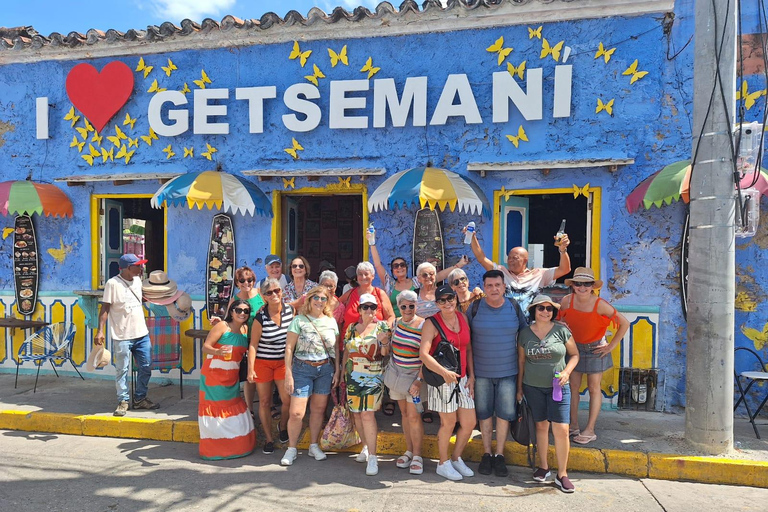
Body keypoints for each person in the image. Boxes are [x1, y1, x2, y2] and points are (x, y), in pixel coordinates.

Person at [557, 267, 629, 445]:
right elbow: (560, 320)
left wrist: (611, 346)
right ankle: (573, 425)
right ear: (573, 285)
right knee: (572, 387)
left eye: (586, 284)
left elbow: (624, 323)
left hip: (596, 348)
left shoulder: (600, 304)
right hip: (573, 347)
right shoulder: (567, 301)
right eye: (578, 283)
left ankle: (590, 429)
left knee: (594, 387)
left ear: (592, 286)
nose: (582, 287)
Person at [467, 269, 528, 477]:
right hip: (482, 373)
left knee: (503, 416)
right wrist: (471, 375)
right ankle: (486, 454)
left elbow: (525, 335)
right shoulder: (474, 308)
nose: (494, 289)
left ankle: (499, 455)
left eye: (498, 285)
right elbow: (467, 344)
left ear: (504, 287)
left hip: (508, 373)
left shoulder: (513, 306)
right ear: (484, 288)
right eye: (489, 286)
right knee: (484, 415)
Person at [517, 295, 580, 493]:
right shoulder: (525, 334)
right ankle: (543, 467)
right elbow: (521, 362)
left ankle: (562, 474)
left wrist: (567, 372)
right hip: (532, 387)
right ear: (534, 311)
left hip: (559, 387)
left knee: (561, 429)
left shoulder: (562, 330)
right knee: (541, 426)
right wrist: (519, 388)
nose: (545, 312)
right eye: (541, 308)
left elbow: (575, 355)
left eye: (549, 309)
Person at [419, 285, 476, 481]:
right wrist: (444, 373)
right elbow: (424, 355)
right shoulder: (432, 323)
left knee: (469, 422)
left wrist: (472, 376)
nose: (447, 303)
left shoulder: (462, 318)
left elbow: (467, 349)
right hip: (442, 379)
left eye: (450, 298)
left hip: (463, 378)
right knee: (448, 423)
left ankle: (456, 457)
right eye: (442, 300)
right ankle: (443, 463)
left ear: (455, 299)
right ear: (437, 304)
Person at [281, 286, 341, 466]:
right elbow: (289, 348)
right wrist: (288, 373)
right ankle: (291, 448)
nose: (320, 301)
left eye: (323, 299)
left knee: (318, 410)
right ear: (309, 299)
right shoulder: (298, 320)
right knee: (297, 412)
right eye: (316, 298)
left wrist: (337, 370)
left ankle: (313, 445)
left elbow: (336, 348)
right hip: (302, 368)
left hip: (324, 369)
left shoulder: (331, 321)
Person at [94, 253, 160, 417]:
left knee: (146, 367)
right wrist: (100, 330)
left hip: (142, 334)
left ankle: (140, 398)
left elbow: (138, 299)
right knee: (122, 370)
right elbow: (105, 309)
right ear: (128, 268)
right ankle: (123, 401)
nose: (141, 268)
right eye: (138, 265)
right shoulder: (112, 284)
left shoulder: (137, 281)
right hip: (122, 335)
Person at [198, 300, 257, 460]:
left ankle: (236, 447)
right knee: (216, 407)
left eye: (246, 311)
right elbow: (205, 347)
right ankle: (215, 450)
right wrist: (218, 352)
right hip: (213, 374)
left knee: (231, 406)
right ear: (231, 311)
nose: (242, 313)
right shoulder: (222, 326)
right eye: (238, 310)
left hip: (231, 375)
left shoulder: (245, 329)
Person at [367, 228, 469, 317]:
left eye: (402, 265)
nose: (399, 267)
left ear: (407, 268)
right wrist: (372, 242)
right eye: (396, 266)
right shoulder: (390, 284)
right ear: (392, 271)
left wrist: (458, 265)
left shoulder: (417, 281)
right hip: (397, 323)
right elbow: (377, 265)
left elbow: (439, 276)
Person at [342, 293, 391, 476]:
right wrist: (341, 373)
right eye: (365, 307)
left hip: (374, 374)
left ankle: (373, 456)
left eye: (372, 307)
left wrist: (384, 341)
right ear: (359, 309)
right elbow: (347, 351)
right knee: (357, 415)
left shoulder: (382, 326)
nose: (369, 310)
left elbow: (386, 353)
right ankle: (365, 446)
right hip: (353, 374)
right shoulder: (351, 328)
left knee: (367, 414)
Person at [467, 227, 571, 310]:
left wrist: (563, 250)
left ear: (525, 261)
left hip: (531, 325)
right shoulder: (501, 272)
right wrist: (472, 237)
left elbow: (564, 269)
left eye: (515, 258)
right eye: (509, 258)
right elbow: (482, 258)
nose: (510, 260)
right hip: (508, 322)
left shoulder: (540, 274)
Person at [247, 278, 294, 454]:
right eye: (269, 292)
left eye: (277, 291)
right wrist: (251, 368)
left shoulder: (290, 310)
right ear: (264, 296)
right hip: (264, 362)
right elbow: (253, 344)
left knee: (287, 399)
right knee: (265, 401)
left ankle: (282, 427)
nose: (274, 294)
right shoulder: (260, 317)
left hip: (283, 362)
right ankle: (268, 438)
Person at [211, 266, 264, 418]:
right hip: (245, 340)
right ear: (237, 283)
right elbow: (229, 319)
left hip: (264, 338)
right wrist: (219, 322)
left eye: (250, 280)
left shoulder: (261, 294)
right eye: (242, 280)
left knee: (264, 373)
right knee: (249, 374)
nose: (246, 283)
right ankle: (249, 408)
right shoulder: (235, 299)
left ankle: (268, 406)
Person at [384, 289, 426, 475]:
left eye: (411, 305)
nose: (408, 309)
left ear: (416, 305)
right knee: (403, 414)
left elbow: (426, 356)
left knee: (413, 416)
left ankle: (417, 455)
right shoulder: (395, 323)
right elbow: (390, 350)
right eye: (404, 306)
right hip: (397, 375)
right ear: (399, 307)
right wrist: (384, 342)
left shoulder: (424, 325)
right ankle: (408, 451)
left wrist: (419, 380)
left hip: (414, 377)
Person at [341, 261, 396, 334]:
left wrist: (385, 332)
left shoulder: (380, 294)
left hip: (373, 342)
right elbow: (335, 308)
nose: (363, 277)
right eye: (360, 274)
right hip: (349, 342)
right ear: (357, 277)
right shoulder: (349, 294)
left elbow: (391, 317)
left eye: (366, 274)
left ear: (373, 276)